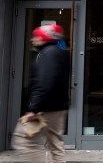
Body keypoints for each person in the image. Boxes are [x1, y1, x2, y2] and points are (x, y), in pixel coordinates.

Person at [12, 24, 69, 163]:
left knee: (21, 139)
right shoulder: (59, 51)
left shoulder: (47, 54)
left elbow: (45, 83)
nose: (32, 39)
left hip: (45, 108)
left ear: (45, 37)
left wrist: (33, 108)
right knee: (55, 145)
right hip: (57, 106)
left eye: (36, 36)